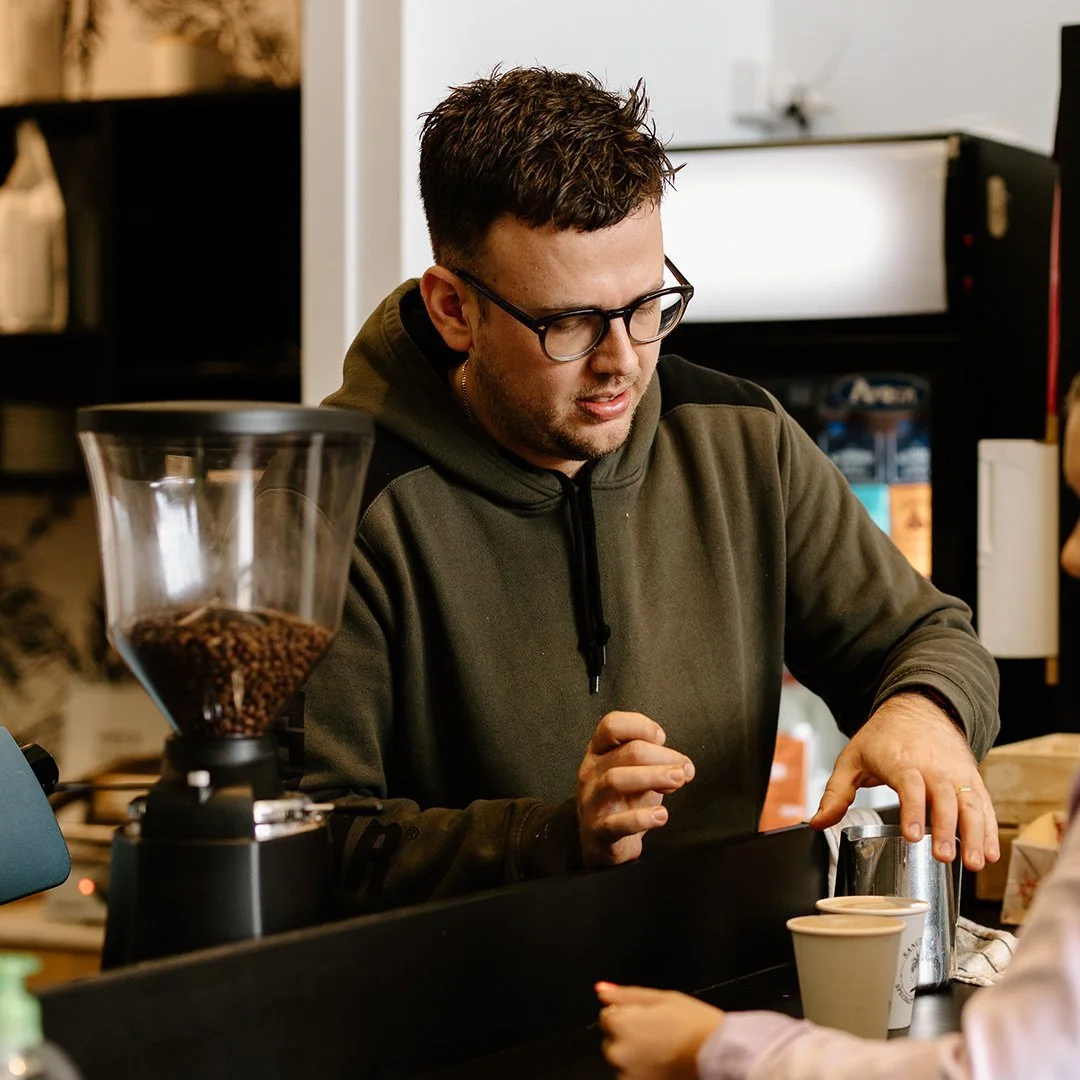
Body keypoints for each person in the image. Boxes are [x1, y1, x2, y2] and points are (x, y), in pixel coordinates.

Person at [301, 67, 1001, 916]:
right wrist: (557, 837)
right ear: (454, 310)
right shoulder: (336, 500)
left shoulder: (742, 438)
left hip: (710, 986)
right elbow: (314, 844)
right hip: (461, 996)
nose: (623, 361)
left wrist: (924, 710)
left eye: (647, 306)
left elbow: (927, 635)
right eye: (568, 323)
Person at [596, 370, 1080, 1080]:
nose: (1069, 553)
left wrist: (714, 1048)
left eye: (647, 315)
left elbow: (1008, 1069)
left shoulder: (743, 434)